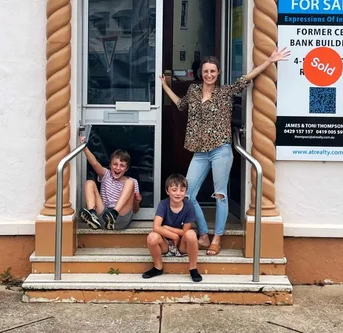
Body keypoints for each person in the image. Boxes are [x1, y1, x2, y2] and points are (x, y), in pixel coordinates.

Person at [160, 50, 290, 255]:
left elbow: (247, 77)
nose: (209, 74)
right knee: (188, 194)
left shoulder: (225, 93)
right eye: (205, 71)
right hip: (200, 151)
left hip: (221, 149)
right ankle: (203, 234)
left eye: (212, 71)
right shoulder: (193, 91)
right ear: (200, 73)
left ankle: (217, 238)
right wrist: (165, 86)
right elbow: (179, 104)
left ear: (218, 73)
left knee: (220, 195)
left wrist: (269, 60)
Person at [142, 173, 202, 283]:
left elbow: (185, 231)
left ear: (185, 192)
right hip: (165, 244)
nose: (178, 193)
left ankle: (193, 268)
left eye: (182, 190)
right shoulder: (163, 204)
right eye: (174, 190)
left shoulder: (188, 206)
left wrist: (167, 228)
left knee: (191, 234)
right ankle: (158, 267)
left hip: (181, 246)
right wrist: (174, 236)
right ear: (167, 191)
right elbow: (156, 227)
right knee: (152, 237)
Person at [79, 144, 141, 230]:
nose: (118, 168)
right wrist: (84, 148)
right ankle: (92, 216)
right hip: (103, 218)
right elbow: (94, 163)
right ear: (110, 165)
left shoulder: (133, 182)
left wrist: (137, 201)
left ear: (126, 169)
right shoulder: (106, 175)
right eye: (115, 164)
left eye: (122, 165)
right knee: (89, 183)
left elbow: (135, 210)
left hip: (121, 219)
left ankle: (114, 214)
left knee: (130, 183)